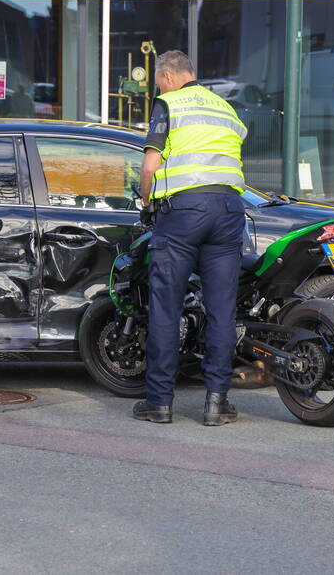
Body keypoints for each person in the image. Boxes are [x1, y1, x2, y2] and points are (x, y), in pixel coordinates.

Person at [134, 50, 248, 426]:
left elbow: (150, 166)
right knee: (221, 309)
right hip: (230, 210)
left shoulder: (169, 103)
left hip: (183, 214)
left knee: (166, 306)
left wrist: (147, 201)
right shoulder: (224, 107)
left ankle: (159, 403)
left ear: (167, 76)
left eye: (157, 81)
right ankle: (217, 403)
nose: (158, 87)